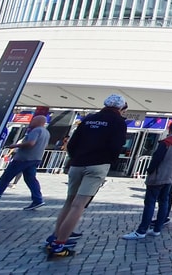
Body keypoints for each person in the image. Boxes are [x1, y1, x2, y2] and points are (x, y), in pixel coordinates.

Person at [45, 94, 128, 260]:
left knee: (69, 202)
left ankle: (54, 237)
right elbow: (116, 145)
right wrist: (109, 161)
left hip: (78, 163)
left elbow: (73, 143)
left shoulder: (89, 119)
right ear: (120, 108)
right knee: (79, 205)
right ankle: (60, 244)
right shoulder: (118, 122)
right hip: (98, 164)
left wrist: (76, 157)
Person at [122, 122, 172, 240]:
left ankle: (142, 230)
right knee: (164, 202)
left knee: (150, 203)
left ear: (169, 129)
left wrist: (149, 170)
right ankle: (157, 228)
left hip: (159, 175)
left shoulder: (166, 143)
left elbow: (157, 159)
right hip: (171, 176)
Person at [0, 115, 50, 211]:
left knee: (5, 179)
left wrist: (15, 145)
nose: (31, 122)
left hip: (23, 159)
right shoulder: (46, 132)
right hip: (35, 159)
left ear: (38, 121)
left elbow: (31, 143)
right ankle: (38, 199)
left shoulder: (36, 131)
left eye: (33, 120)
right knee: (31, 180)